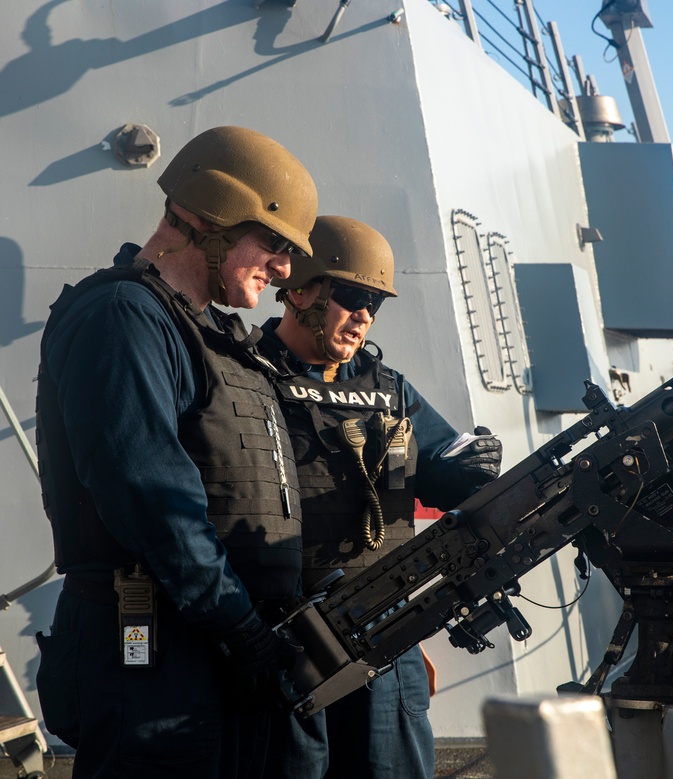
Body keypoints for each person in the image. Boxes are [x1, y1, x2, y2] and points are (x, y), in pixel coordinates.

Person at [34, 125, 319, 778]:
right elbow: (148, 495)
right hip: (149, 647)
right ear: (211, 217)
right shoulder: (122, 316)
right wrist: (239, 627)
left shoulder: (217, 338)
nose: (283, 268)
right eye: (274, 243)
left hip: (219, 644)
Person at [258, 215, 503, 779]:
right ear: (298, 291)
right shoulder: (249, 378)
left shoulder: (387, 387)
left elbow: (440, 469)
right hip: (289, 636)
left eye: (375, 302)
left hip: (386, 631)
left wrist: (473, 471)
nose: (365, 314)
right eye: (351, 296)